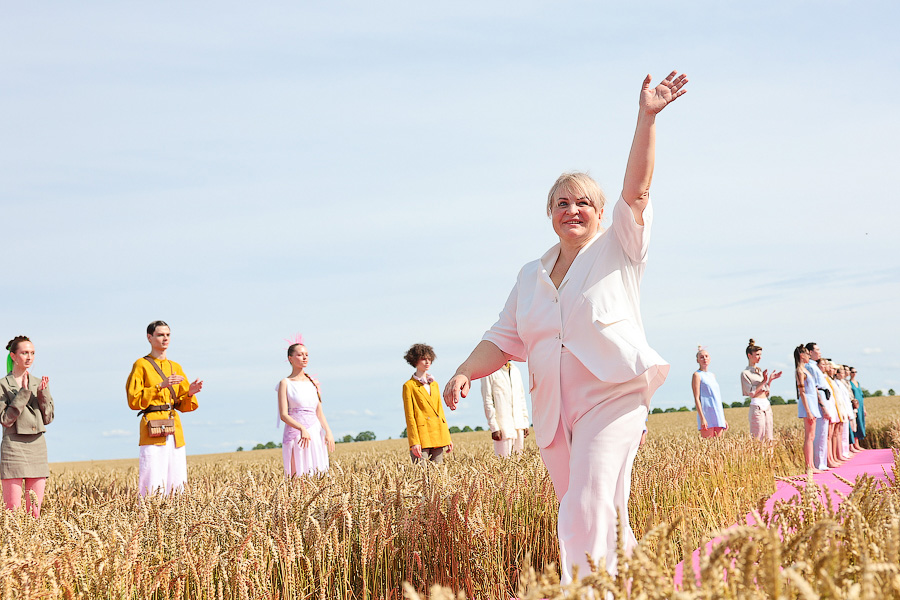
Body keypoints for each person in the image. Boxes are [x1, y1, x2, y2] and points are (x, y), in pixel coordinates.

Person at [443, 71, 687, 583]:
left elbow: (637, 190)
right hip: (554, 413)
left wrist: (647, 118)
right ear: (549, 215)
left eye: (583, 203)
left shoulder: (618, 247)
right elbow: (502, 338)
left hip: (611, 395)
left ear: (600, 213)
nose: (572, 210)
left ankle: (584, 592)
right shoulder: (530, 277)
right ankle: (632, 585)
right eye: (561, 203)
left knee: (588, 503)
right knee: (597, 512)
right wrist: (466, 371)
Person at [126, 321, 203, 496]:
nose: (165, 338)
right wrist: (160, 385)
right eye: (160, 335)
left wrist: (190, 393)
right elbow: (133, 400)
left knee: (178, 479)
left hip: (174, 429)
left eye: (168, 335)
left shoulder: (175, 367)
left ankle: (176, 517)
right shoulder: (141, 365)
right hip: (152, 427)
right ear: (149, 337)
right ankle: (149, 516)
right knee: (152, 478)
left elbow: (184, 405)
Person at [1, 336, 54, 517]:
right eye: (24, 353)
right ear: (13, 356)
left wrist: (42, 395)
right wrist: (23, 394)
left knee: (35, 512)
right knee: (12, 512)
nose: (29, 357)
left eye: (32, 353)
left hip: (37, 447)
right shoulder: (2, 385)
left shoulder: (40, 382)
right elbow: (5, 420)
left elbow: (48, 418)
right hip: (13, 448)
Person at [277, 340, 335, 476]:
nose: (304, 358)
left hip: (315, 432)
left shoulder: (313, 382)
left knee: (317, 473)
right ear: (290, 358)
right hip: (296, 434)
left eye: (307, 355)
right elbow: (283, 415)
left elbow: (319, 412)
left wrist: (328, 431)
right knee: (298, 476)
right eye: (300, 355)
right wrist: (302, 428)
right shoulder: (285, 383)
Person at [402, 343, 452, 464]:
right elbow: (410, 417)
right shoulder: (409, 386)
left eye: (429, 359)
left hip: (438, 434)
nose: (427, 362)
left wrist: (447, 437)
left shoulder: (434, 384)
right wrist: (414, 442)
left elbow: (440, 411)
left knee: (438, 477)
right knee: (421, 475)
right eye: (423, 359)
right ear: (414, 360)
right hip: (421, 437)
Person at [481, 361, 530, 457]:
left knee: (519, 463)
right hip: (502, 428)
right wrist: (494, 427)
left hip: (519, 425)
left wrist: (525, 422)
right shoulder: (489, 371)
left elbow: (521, 397)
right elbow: (488, 401)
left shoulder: (516, 370)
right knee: (503, 463)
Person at [740, 339, 782, 444]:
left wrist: (770, 380)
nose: (760, 357)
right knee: (757, 437)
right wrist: (763, 381)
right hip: (756, 406)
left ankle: (769, 459)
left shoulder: (759, 371)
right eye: (757, 354)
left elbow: (766, 391)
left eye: (760, 354)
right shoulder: (745, 373)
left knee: (769, 436)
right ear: (749, 355)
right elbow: (751, 393)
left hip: (766, 404)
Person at [805, 343, 836, 470]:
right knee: (820, 432)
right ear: (810, 352)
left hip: (824, 396)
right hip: (819, 399)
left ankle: (822, 461)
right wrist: (822, 406)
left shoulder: (815, 367)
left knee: (824, 432)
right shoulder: (810, 367)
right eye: (817, 350)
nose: (820, 352)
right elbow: (814, 388)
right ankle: (818, 462)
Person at [793, 345, 819, 472]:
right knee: (809, 435)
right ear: (802, 355)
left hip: (812, 402)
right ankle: (809, 466)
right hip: (807, 403)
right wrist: (808, 410)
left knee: (812, 435)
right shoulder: (800, 371)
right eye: (807, 354)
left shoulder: (805, 370)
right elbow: (802, 392)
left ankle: (812, 465)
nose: (809, 356)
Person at [692, 347, 727, 438]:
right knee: (708, 445)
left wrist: (723, 418)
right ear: (697, 360)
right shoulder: (697, 375)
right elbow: (697, 398)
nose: (704, 359)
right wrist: (702, 418)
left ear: (710, 358)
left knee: (718, 445)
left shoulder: (712, 375)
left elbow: (717, 397)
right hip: (706, 413)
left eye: (706, 356)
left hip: (717, 413)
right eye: (702, 357)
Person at [849, 366, 866, 450]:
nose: (854, 373)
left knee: (861, 423)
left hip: (861, 406)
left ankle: (858, 443)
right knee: (855, 423)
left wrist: (864, 408)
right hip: (854, 406)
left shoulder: (857, 383)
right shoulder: (849, 383)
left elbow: (861, 396)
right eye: (852, 372)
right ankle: (855, 444)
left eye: (855, 372)